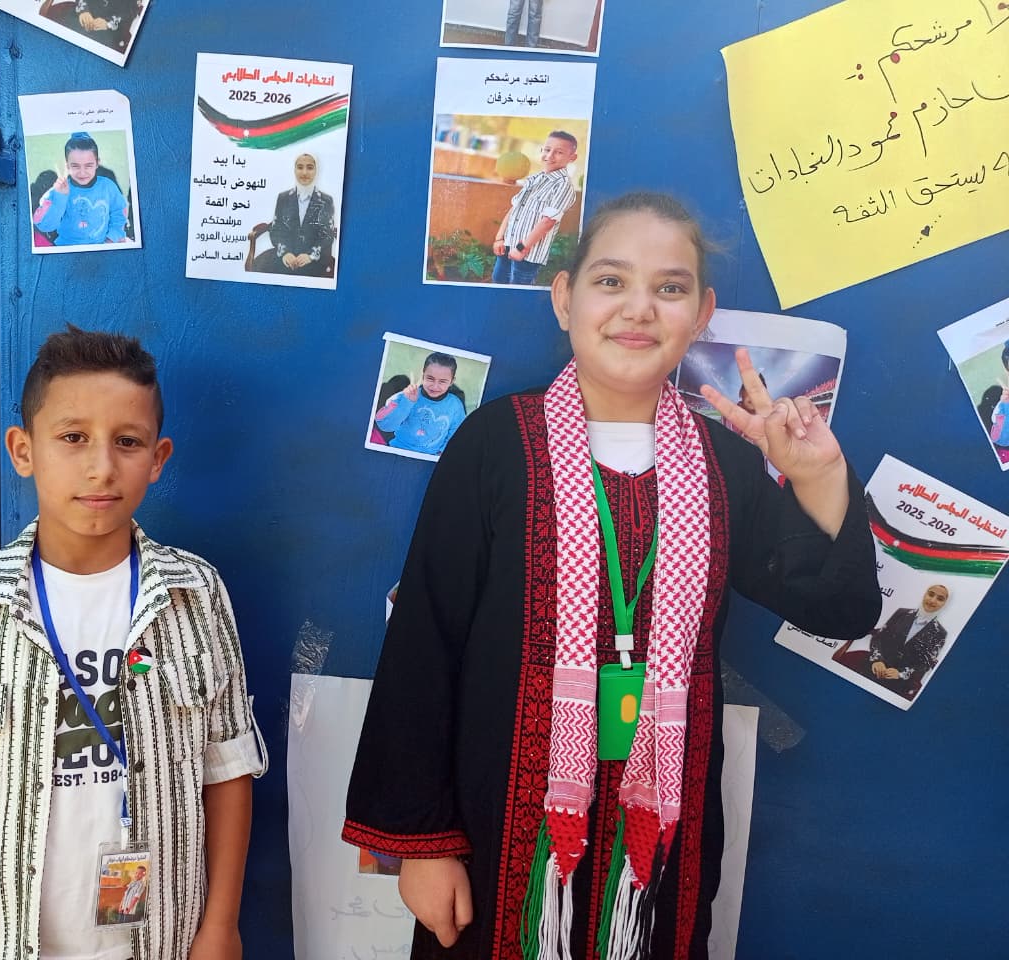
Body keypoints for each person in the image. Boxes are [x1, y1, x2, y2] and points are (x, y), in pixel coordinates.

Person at [343, 192, 881, 960]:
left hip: (659, 848)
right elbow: (424, 646)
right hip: (498, 834)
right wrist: (425, 845)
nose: (639, 308)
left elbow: (839, 607)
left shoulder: (723, 465)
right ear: (565, 298)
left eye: (670, 287)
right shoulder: (496, 445)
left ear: (701, 314)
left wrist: (818, 476)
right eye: (610, 281)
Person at [0, 326, 267, 960]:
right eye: (73, 437)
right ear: (23, 450)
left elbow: (227, 770)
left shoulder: (193, 596)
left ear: (158, 458)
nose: (101, 466)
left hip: (163, 939)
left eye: (127, 442)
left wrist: (220, 927)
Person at [491, 132, 578, 286]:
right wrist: (499, 238)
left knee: (517, 295)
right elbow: (514, 209)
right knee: (497, 285)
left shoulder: (563, 185)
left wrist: (521, 249)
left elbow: (547, 222)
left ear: (572, 157)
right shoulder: (535, 179)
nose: (550, 156)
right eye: (547, 150)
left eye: (559, 152)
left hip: (527, 255)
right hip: (507, 247)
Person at [851, 585, 949, 700]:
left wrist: (901, 673)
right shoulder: (901, 613)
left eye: (940, 599)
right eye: (931, 594)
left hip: (900, 682)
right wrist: (877, 660)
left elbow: (924, 665)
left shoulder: (940, 633)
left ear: (944, 604)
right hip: (875, 667)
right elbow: (878, 637)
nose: (932, 600)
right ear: (924, 594)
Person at [33, 132, 131, 247]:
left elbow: (119, 214)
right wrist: (60, 197)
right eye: (75, 166)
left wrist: (111, 239)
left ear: (97, 163)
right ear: (67, 166)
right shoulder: (58, 190)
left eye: (88, 165)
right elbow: (44, 226)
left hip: (102, 248)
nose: (82, 173)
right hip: (66, 250)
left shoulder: (108, 186)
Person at [374, 353, 468, 457]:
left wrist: (441, 454)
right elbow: (385, 426)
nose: (435, 386)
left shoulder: (455, 405)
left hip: (431, 457)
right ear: (423, 375)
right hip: (397, 451)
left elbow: (457, 435)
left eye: (442, 381)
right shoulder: (405, 395)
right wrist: (407, 402)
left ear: (451, 382)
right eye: (430, 378)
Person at [265, 153, 337, 278]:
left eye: (310, 167)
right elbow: (276, 229)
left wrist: (310, 255)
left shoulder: (326, 200)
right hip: (286, 258)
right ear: (294, 170)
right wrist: (285, 253)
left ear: (316, 170)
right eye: (300, 167)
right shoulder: (283, 198)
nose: (304, 172)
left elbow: (327, 235)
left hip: (315, 260)